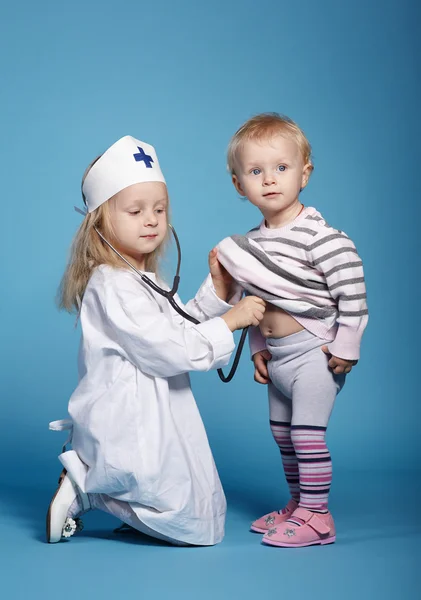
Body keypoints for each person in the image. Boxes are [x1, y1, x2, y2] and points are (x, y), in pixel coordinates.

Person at [46, 135, 265, 546]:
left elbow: (177, 328)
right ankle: (85, 485)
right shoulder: (113, 285)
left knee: (201, 518)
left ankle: (101, 490)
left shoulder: (143, 280)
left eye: (159, 210)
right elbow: (171, 350)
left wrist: (217, 293)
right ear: (100, 222)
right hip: (133, 418)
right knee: (193, 525)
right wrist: (233, 321)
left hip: (158, 412)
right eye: (135, 210)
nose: (151, 219)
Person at [216, 113, 368, 548]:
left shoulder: (323, 238)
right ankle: (298, 505)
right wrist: (258, 349)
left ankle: (318, 517)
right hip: (279, 357)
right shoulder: (251, 245)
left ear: (305, 173)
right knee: (282, 435)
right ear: (238, 184)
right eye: (256, 171)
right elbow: (257, 304)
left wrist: (347, 347)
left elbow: (353, 295)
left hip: (315, 353)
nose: (269, 180)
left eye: (281, 168)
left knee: (306, 434)